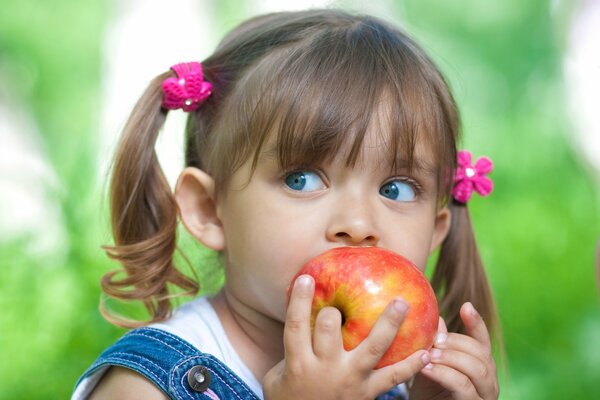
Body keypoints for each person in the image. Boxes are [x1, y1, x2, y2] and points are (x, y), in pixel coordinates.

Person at [72, 8, 500, 400]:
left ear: (435, 231)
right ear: (207, 210)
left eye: (396, 189)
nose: (357, 223)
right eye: (302, 179)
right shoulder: (144, 387)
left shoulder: (395, 380)